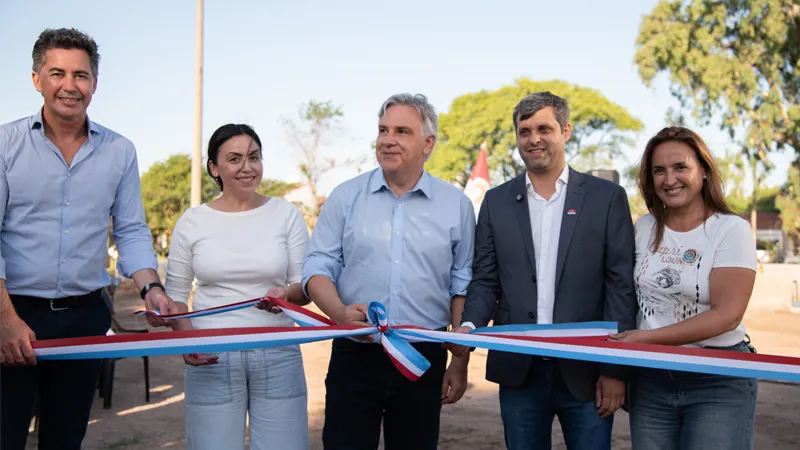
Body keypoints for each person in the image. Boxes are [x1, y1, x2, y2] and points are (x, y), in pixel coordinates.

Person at [0, 28, 179, 450]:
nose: (70, 85)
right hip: (13, 312)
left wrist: (151, 289)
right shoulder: (5, 145)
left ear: (94, 83)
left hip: (84, 318)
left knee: (66, 438)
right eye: (57, 73)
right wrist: (5, 320)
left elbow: (131, 229)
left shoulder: (120, 151)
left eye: (80, 75)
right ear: (36, 79)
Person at [454, 92, 638, 450]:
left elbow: (620, 287)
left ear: (565, 131)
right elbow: (485, 280)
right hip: (519, 372)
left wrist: (614, 369)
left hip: (587, 370)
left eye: (544, 129)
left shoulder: (607, 198)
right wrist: (470, 326)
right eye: (524, 131)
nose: (533, 139)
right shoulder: (496, 201)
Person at [302, 93, 475, 450]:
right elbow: (317, 266)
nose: (388, 140)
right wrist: (338, 313)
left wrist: (460, 363)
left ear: (428, 143)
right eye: (383, 130)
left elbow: (462, 282)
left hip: (422, 357)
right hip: (355, 353)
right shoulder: (345, 197)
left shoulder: (456, 205)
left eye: (402, 131)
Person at [610, 126, 759, 450]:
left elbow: (727, 315)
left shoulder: (731, 229)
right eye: (658, 170)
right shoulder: (644, 227)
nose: (669, 179)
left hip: (716, 378)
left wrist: (645, 339)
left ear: (703, 170)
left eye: (680, 167)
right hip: (651, 378)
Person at [164, 124, 311, 450]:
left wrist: (286, 296)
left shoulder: (286, 214)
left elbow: (304, 286)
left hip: (278, 354)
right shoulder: (192, 221)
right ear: (214, 168)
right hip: (211, 355)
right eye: (234, 159)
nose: (247, 167)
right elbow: (176, 295)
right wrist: (187, 341)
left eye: (254, 157)